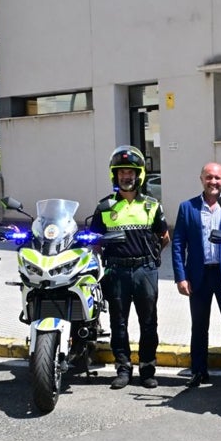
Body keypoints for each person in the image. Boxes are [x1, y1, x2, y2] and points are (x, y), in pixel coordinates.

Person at [88, 146, 169, 390]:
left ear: (139, 175)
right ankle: (123, 368)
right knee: (118, 323)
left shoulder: (153, 206)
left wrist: (151, 260)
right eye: (121, 172)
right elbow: (94, 242)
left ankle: (147, 368)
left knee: (149, 322)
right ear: (115, 175)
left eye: (131, 172)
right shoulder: (104, 207)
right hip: (116, 272)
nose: (126, 176)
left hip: (145, 270)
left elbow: (164, 237)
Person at [171, 162, 221, 388]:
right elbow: (178, 244)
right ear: (201, 179)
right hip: (198, 276)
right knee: (199, 326)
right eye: (208, 177)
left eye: (217, 178)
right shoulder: (188, 207)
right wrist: (180, 276)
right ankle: (198, 371)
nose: (213, 182)